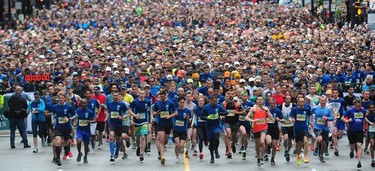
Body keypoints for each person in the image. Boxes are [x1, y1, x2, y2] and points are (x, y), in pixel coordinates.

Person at [245, 96, 273, 167]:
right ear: (256, 101)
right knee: (257, 145)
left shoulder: (266, 108)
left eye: (261, 99)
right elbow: (246, 118)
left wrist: (267, 111)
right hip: (256, 129)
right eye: (258, 99)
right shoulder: (253, 109)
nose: (260, 101)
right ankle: (258, 157)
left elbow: (271, 118)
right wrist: (253, 120)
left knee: (262, 141)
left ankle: (262, 156)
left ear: (263, 101)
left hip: (264, 128)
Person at [201, 95, 228, 164]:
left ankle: (216, 150)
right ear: (210, 100)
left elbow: (226, 112)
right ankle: (212, 157)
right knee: (211, 142)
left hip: (216, 125)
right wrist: (207, 117)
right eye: (213, 101)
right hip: (209, 126)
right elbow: (201, 116)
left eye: (216, 101)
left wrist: (220, 113)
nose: (215, 103)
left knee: (216, 138)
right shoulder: (206, 107)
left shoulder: (219, 106)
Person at [153, 90, 177, 165]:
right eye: (161, 97)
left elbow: (176, 112)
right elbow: (153, 114)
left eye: (164, 96)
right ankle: (162, 156)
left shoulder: (170, 103)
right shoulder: (157, 103)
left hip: (168, 124)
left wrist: (170, 116)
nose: (162, 98)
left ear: (166, 95)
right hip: (160, 123)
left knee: (165, 141)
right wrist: (156, 113)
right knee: (161, 139)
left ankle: (162, 148)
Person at [52, 92, 75, 166]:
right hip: (58, 127)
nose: (61, 99)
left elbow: (75, 115)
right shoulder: (55, 106)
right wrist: (53, 120)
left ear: (64, 98)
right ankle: (58, 159)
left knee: (65, 142)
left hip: (67, 128)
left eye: (62, 98)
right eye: (60, 98)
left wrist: (69, 119)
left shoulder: (69, 107)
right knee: (58, 142)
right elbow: (53, 113)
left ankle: (66, 150)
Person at [129, 89, 152, 161]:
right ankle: (139, 147)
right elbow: (129, 110)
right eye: (140, 93)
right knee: (138, 138)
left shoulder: (148, 101)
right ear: (138, 94)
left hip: (144, 121)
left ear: (145, 94)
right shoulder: (135, 101)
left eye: (143, 93)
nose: (142, 95)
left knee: (143, 137)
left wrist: (151, 117)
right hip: (137, 122)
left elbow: (150, 109)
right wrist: (134, 115)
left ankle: (142, 154)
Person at [342, 99, 366, 168]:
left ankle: (359, 162)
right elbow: (342, 118)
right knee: (352, 145)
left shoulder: (363, 110)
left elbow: (364, 118)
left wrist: (364, 126)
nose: (358, 107)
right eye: (357, 106)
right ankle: (352, 151)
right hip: (351, 130)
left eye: (359, 106)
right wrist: (347, 121)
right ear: (354, 105)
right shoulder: (350, 110)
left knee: (359, 145)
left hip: (359, 130)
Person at [106, 91, 129, 162]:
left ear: (119, 96)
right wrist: (106, 117)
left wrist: (122, 117)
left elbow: (126, 113)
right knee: (111, 136)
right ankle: (112, 155)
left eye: (116, 95)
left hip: (119, 124)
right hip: (111, 123)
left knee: (119, 139)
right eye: (114, 95)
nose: (115, 96)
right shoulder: (109, 104)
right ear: (112, 96)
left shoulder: (122, 104)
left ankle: (117, 152)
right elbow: (107, 112)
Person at [222, 90, 245, 159]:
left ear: (234, 95)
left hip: (235, 122)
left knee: (234, 137)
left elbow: (244, 111)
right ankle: (229, 152)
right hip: (227, 122)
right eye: (229, 94)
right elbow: (221, 111)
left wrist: (237, 112)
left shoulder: (237, 103)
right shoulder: (224, 103)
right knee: (228, 135)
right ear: (227, 95)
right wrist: (222, 115)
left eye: (232, 94)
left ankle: (233, 143)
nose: (230, 95)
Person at [311, 96, 334, 163]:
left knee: (324, 143)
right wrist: (311, 122)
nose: (323, 102)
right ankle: (316, 148)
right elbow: (309, 114)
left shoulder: (328, 109)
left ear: (326, 101)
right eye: (321, 101)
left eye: (324, 101)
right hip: (317, 128)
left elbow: (332, 118)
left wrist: (327, 118)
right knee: (319, 139)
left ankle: (321, 156)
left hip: (325, 129)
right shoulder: (315, 108)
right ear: (319, 101)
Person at [290, 96, 312, 165]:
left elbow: (310, 115)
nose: (301, 103)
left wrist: (311, 122)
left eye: (303, 102)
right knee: (298, 144)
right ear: (297, 102)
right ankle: (298, 156)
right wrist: (292, 119)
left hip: (305, 128)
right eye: (300, 102)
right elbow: (291, 116)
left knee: (305, 141)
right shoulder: (294, 109)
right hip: (297, 129)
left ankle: (305, 157)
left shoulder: (306, 109)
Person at [73, 99, 96, 163]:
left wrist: (90, 121)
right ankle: (79, 152)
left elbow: (94, 120)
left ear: (86, 104)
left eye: (85, 103)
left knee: (86, 144)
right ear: (80, 103)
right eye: (82, 103)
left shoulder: (89, 111)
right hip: (79, 129)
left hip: (87, 130)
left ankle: (85, 156)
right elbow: (75, 118)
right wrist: (75, 122)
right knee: (79, 141)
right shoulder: (77, 111)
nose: (83, 104)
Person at [266, 98, 284, 165]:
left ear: (275, 103)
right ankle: (268, 147)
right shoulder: (266, 110)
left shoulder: (278, 111)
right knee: (269, 142)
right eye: (271, 103)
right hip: (268, 128)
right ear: (269, 103)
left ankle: (272, 158)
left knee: (274, 145)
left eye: (273, 103)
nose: (272, 105)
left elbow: (283, 120)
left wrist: (279, 119)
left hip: (275, 129)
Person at [329, 88, 347, 156]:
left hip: (341, 119)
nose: (335, 94)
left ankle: (336, 139)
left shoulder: (342, 100)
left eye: (336, 93)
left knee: (340, 135)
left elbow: (346, 108)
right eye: (334, 93)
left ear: (338, 94)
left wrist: (346, 116)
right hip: (334, 120)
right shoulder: (330, 101)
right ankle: (336, 149)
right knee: (334, 134)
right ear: (332, 94)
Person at [173, 97, 191, 163]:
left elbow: (190, 122)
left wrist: (188, 118)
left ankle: (182, 149)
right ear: (178, 103)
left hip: (183, 130)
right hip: (176, 129)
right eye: (181, 102)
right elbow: (172, 118)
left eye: (183, 102)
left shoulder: (187, 111)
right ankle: (177, 157)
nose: (182, 104)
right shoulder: (176, 110)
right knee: (177, 144)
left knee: (182, 145)